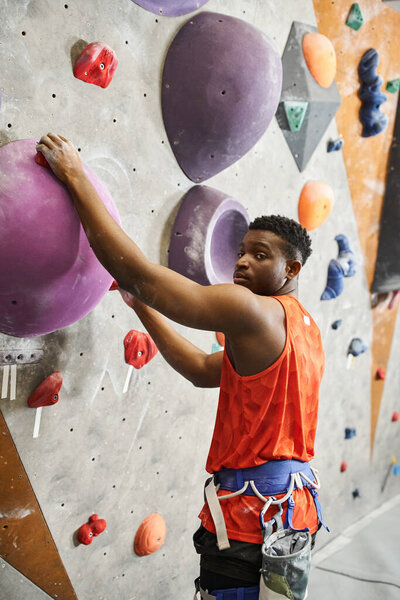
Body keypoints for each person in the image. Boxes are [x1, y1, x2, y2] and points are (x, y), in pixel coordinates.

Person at [36, 133, 327, 599]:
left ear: (292, 271)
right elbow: (198, 368)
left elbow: (144, 276)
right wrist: (139, 307)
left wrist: (74, 175)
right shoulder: (302, 329)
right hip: (292, 514)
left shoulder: (254, 311)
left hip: (249, 522)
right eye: (242, 252)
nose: (243, 263)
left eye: (261, 255)